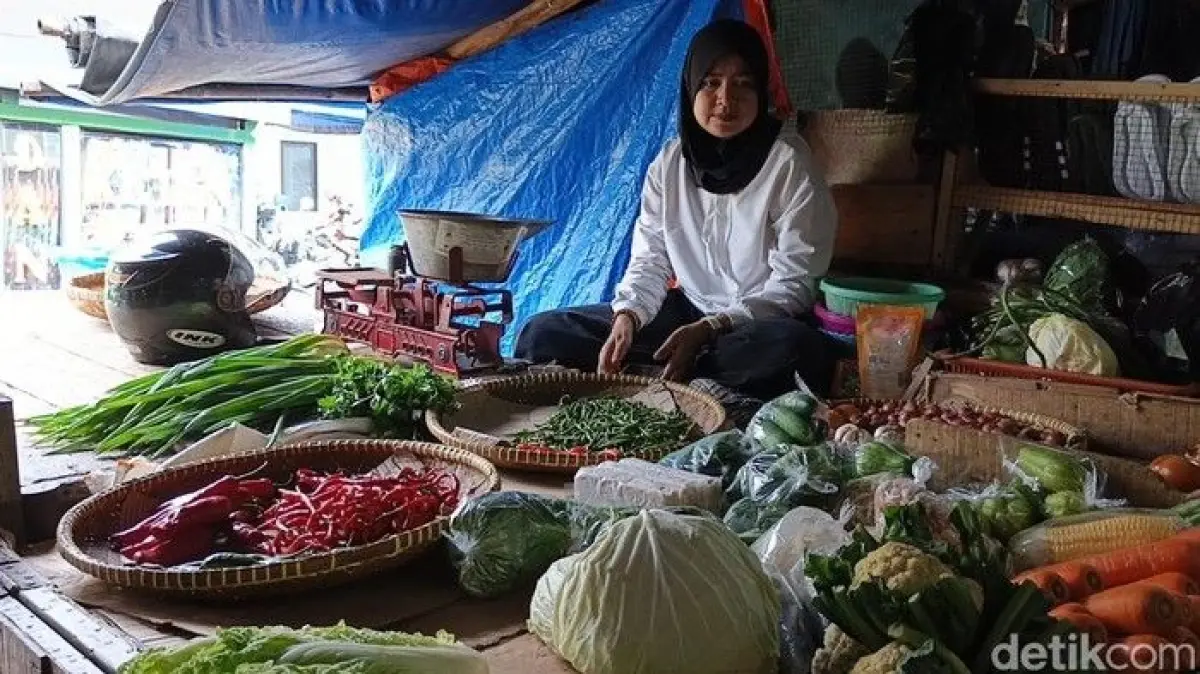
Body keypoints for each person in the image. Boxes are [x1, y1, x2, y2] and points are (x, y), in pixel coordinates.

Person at [515, 18, 838, 401]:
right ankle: (685, 371)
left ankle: (672, 369)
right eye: (711, 82)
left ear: (761, 90)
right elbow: (650, 258)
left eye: (743, 83)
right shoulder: (669, 165)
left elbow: (794, 286)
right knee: (544, 332)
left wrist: (711, 328)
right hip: (687, 310)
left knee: (799, 351)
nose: (726, 99)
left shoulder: (787, 163)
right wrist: (628, 317)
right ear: (690, 87)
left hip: (756, 322)